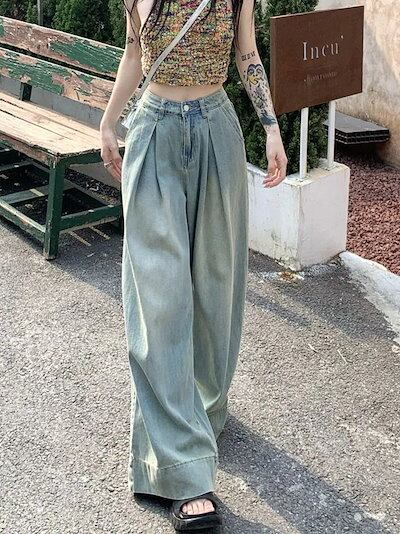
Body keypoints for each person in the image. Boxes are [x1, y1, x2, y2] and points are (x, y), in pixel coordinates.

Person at [100, 0, 287, 530]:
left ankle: (200, 407)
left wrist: (271, 129)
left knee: (215, 290)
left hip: (216, 132)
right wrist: (108, 121)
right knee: (159, 301)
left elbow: (247, 54)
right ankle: (182, 470)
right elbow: (135, 52)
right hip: (154, 132)